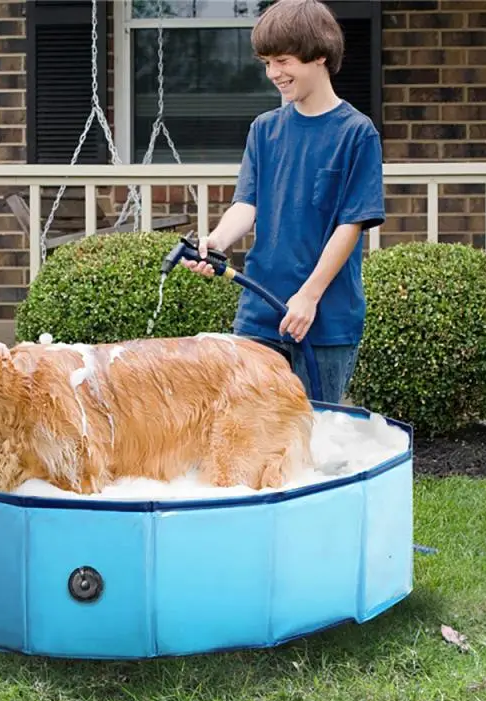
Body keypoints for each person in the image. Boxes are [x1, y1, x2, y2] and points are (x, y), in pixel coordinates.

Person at [183, 0, 385, 404]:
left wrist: (309, 297)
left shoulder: (357, 134)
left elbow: (351, 226)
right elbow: (247, 204)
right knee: (251, 433)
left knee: (316, 434)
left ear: (320, 55)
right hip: (260, 311)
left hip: (326, 318)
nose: (273, 73)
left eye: (282, 61)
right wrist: (217, 241)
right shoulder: (264, 130)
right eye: (266, 63)